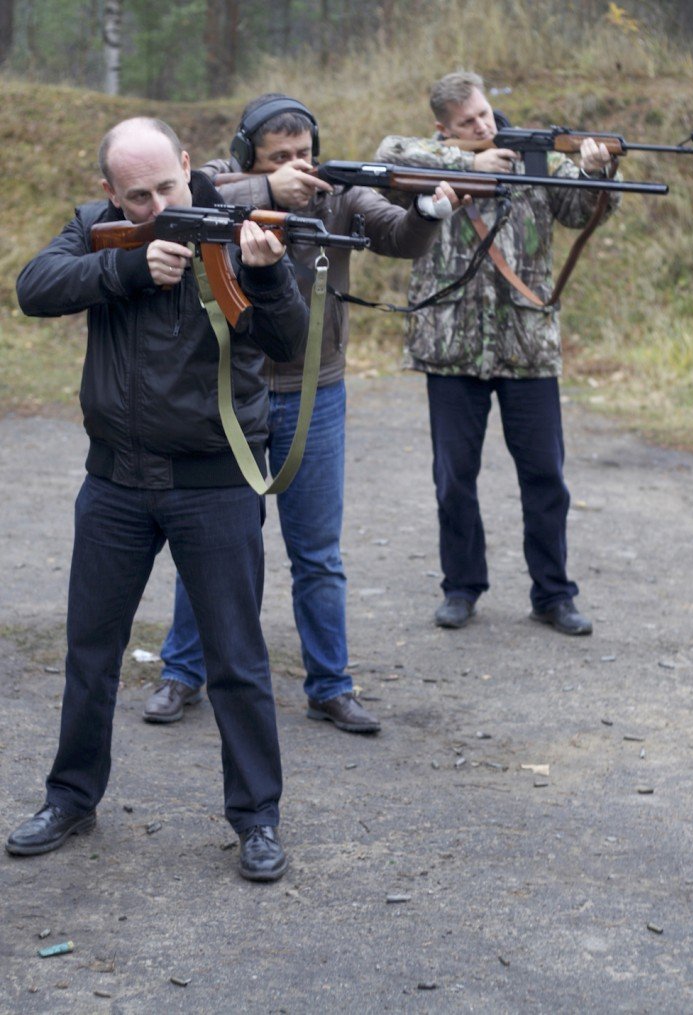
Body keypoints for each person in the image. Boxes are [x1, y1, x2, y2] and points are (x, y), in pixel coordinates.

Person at [5, 117, 310, 883]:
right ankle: (70, 797)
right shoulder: (96, 227)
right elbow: (34, 288)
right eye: (135, 197)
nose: (155, 206)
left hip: (215, 478)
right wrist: (128, 267)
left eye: (166, 188)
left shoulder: (237, 224)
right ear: (109, 192)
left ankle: (257, 817)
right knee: (90, 652)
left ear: (186, 164)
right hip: (114, 480)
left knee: (237, 659)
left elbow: (288, 343)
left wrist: (267, 276)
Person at [142, 94, 457, 732]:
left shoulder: (335, 192)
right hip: (232, 390)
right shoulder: (217, 182)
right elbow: (188, 202)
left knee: (317, 552)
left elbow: (395, 235)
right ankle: (182, 671)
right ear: (247, 156)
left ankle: (330, 685)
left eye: (304, 154)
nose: (298, 166)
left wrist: (428, 210)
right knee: (210, 544)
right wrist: (267, 188)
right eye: (279, 157)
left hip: (315, 389)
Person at [375, 72, 620, 634]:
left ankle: (553, 594)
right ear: (443, 128)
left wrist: (595, 171)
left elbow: (583, 211)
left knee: (545, 477)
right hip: (451, 345)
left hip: (526, 345)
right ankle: (461, 587)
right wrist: (467, 163)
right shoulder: (431, 159)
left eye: (484, 114)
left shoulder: (532, 155)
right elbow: (387, 156)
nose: (483, 124)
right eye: (467, 122)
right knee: (454, 478)